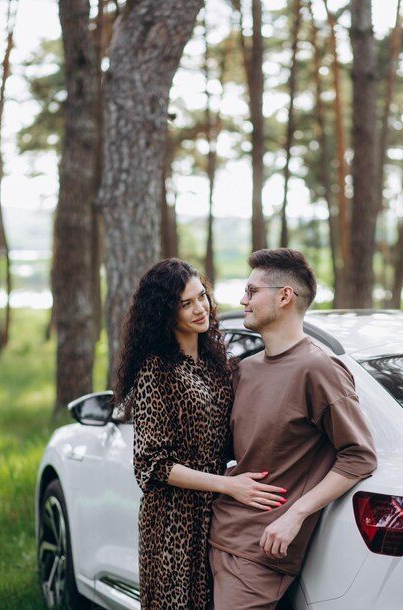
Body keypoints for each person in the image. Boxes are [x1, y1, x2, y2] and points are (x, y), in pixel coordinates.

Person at [112, 258, 287, 610]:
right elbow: (151, 465)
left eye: (202, 297)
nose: (200, 309)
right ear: (165, 311)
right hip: (173, 520)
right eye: (186, 303)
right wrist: (227, 484)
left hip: (222, 517)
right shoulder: (156, 369)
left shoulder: (219, 364)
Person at [209, 248, 378, 610]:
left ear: (284, 296)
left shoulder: (318, 369)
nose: (243, 300)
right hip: (215, 536)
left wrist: (295, 516)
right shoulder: (245, 371)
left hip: (261, 553)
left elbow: (359, 456)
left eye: (252, 292)